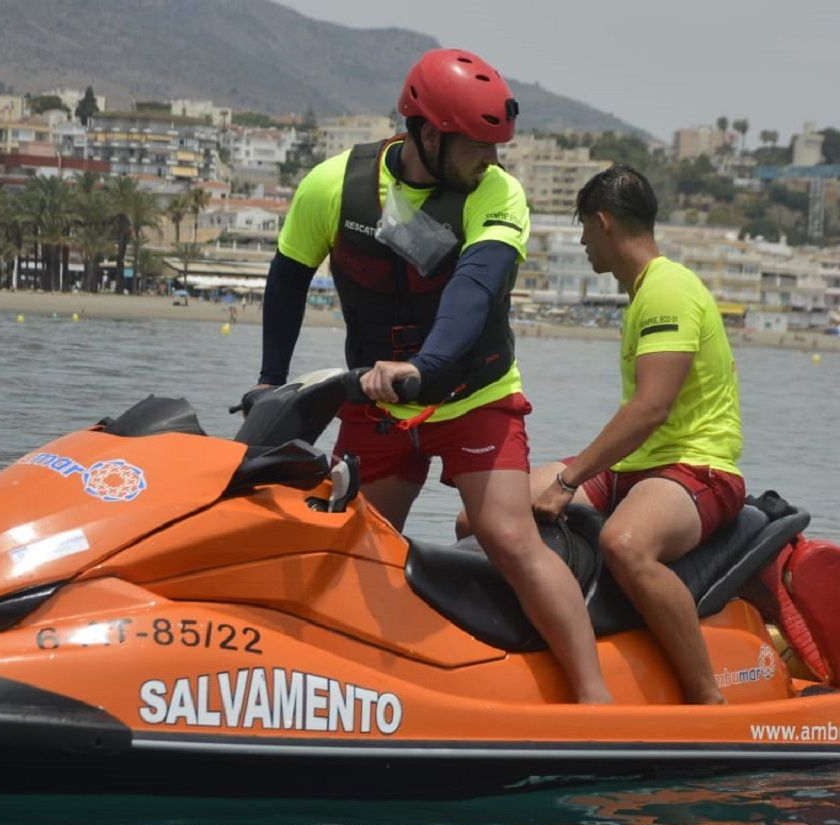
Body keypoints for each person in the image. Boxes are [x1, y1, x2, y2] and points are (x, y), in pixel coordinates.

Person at [245, 48, 611, 704]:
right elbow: (289, 278)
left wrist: (426, 369)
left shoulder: (497, 194)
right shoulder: (334, 185)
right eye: (479, 148)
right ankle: (341, 685)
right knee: (346, 545)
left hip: (476, 397)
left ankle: (595, 703)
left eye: (498, 148)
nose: (492, 162)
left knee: (507, 537)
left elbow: (475, 289)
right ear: (429, 136)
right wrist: (271, 379)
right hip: (378, 402)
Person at [529, 165, 746, 704]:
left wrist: (572, 478)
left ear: (603, 223)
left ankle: (705, 696)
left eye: (582, 228)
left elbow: (651, 407)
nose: (581, 241)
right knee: (492, 512)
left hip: (697, 466)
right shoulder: (642, 292)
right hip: (637, 465)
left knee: (624, 546)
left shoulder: (667, 290)